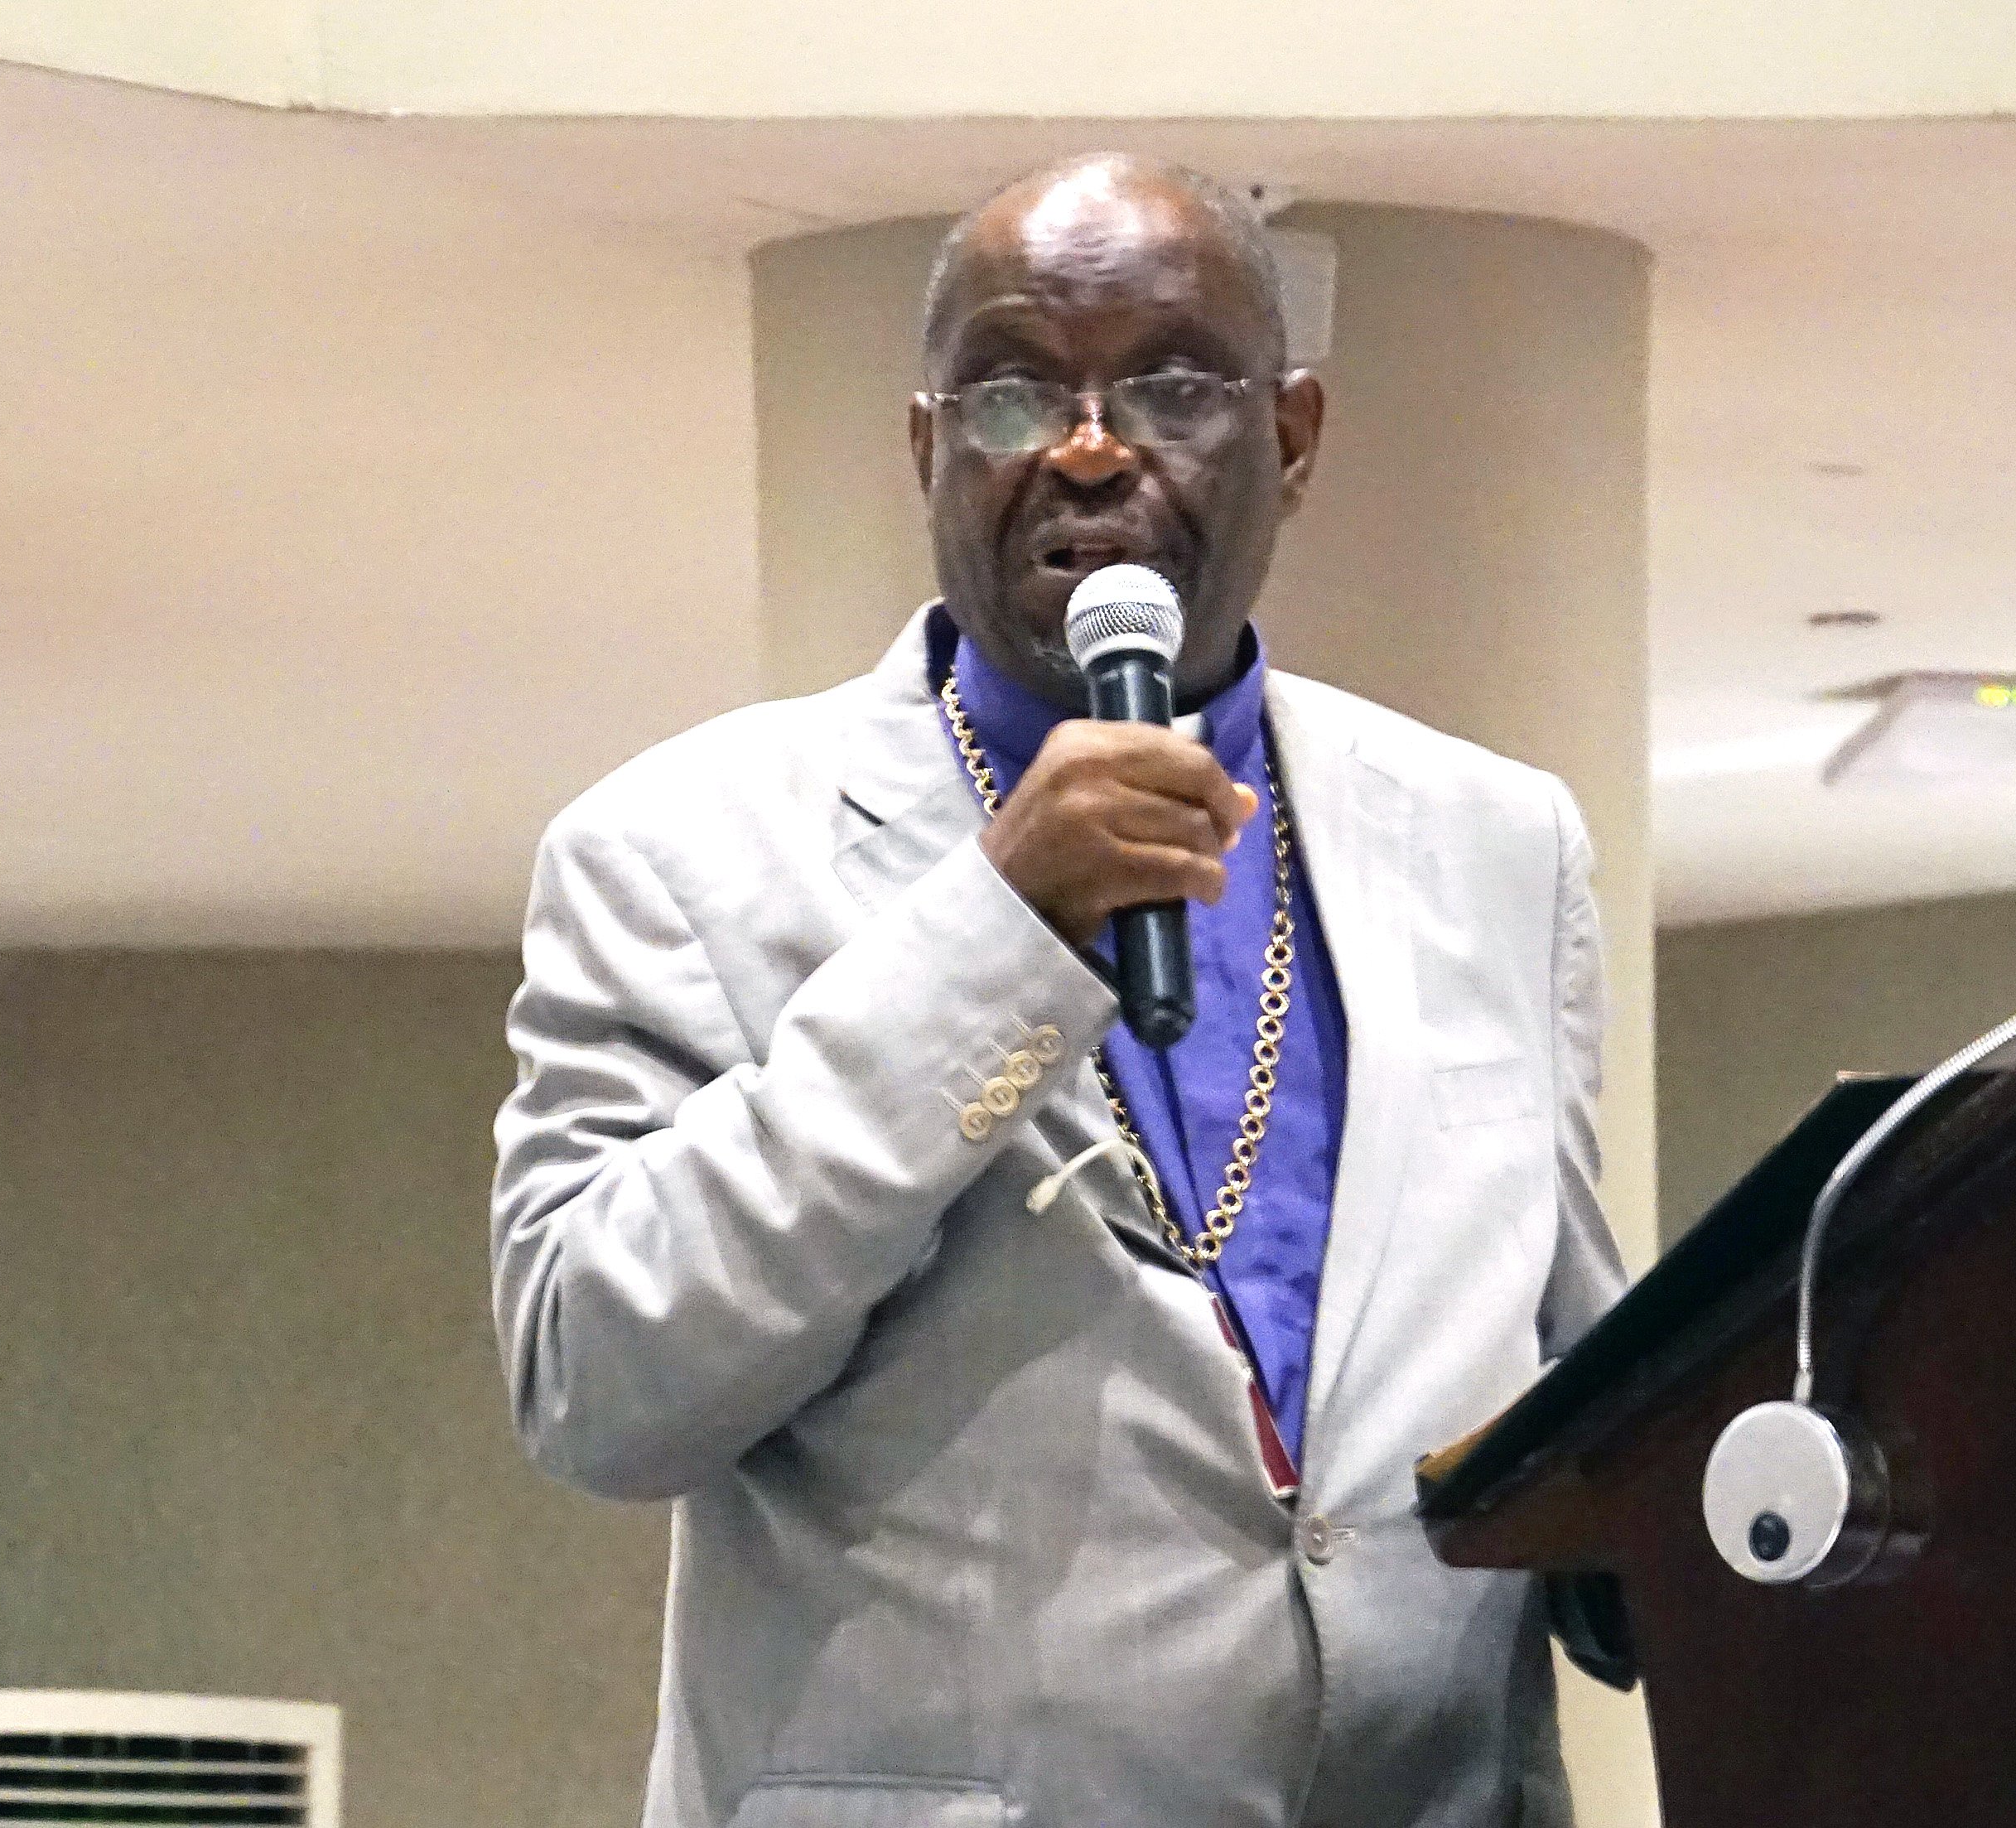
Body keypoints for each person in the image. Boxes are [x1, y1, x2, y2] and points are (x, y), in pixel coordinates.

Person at [490, 152, 1627, 1828]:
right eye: (1018, 391)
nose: (1093, 449)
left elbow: (1577, 1360)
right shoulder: (678, 853)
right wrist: (997, 933)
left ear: (1294, 439)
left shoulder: (1493, 845)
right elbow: (597, 1377)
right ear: (926, 447)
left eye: (1173, 383)